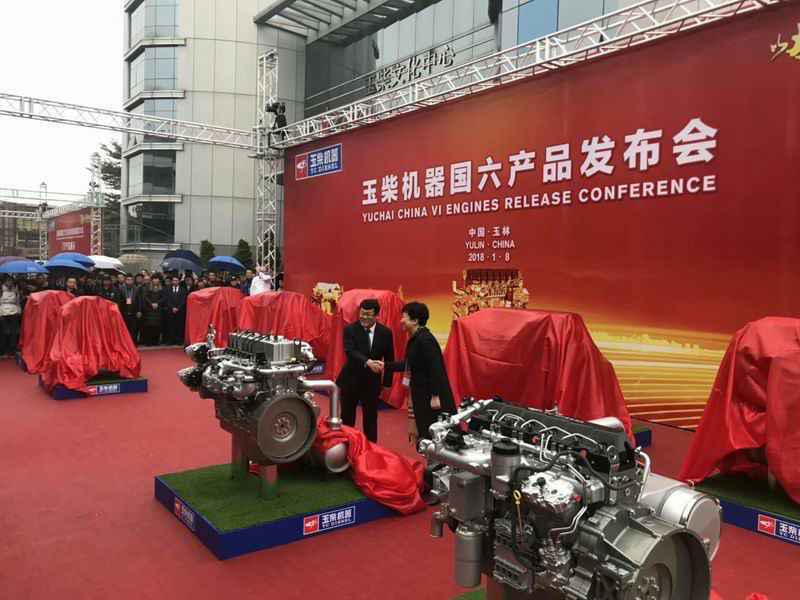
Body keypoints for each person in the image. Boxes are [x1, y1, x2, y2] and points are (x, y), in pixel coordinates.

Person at [383, 301, 456, 445]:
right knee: (425, 431)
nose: (401, 321)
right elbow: (409, 364)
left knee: (437, 434)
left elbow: (436, 368)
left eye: (404, 317)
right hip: (421, 394)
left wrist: (435, 395)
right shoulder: (416, 339)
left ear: (415, 321)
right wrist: (385, 366)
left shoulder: (425, 340)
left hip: (430, 397)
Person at [335, 298, 395, 443]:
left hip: (372, 382)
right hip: (350, 380)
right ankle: (345, 445)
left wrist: (387, 383)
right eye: (362, 313)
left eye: (368, 314)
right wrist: (367, 362)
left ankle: (371, 448)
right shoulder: (350, 329)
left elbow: (389, 358)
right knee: (347, 417)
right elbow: (350, 351)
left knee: (371, 418)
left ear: (377, 315)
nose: (364, 317)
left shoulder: (385, 333)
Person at [0, 276, 22, 357]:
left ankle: (12, 349)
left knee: (14, 332)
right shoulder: (1, 289)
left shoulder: (15, 289)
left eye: (11, 281)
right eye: (8, 280)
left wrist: (19, 311)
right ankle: (3, 350)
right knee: (3, 332)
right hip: (3, 312)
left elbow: (18, 302)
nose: (10, 282)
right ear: (4, 281)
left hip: (14, 312)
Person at [139, 279, 164, 345]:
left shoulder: (161, 289)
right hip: (149, 310)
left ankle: (156, 341)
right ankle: (149, 342)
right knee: (149, 327)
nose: (155, 281)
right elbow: (146, 297)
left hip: (158, 310)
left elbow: (163, 298)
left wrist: (157, 303)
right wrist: (151, 304)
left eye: (157, 280)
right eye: (154, 280)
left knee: (157, 327)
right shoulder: (148, 289)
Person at [163, 275, 187, 345]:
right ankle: (170, 340)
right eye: (174, 280)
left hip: (180, 311)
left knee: (179, 326)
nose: (175, 282)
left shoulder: (183, 290)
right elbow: (166, 300)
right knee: (170, 326)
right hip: (170, 310)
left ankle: (178, 340)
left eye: (176, 280)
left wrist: (178, 308)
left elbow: (184, 300)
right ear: (172, 281)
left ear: (179, 281)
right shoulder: (167, 290)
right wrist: (172, 307)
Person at [118, 274, 140, 344]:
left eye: (131, 280)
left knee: (133, 329)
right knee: (124, 329)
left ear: (133, 281)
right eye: (128, 280)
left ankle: (133, 343)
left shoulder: (136, 289)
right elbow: (119, 301)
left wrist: (139, 311)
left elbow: (139, 301)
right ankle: (124, 343)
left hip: (134, 311)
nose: (129, 281)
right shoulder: (121, 289)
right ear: (125, 280)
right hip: (124, 311)